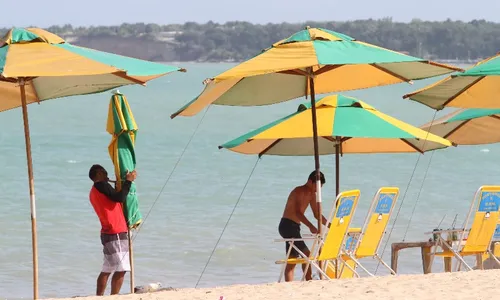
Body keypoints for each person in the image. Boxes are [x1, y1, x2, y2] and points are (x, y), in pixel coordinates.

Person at [88, 164, 137, 296]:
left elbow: (114, 197)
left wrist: (119, 187)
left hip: (107, 232)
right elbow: (119, 198)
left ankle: (99, 297)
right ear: (98, 174)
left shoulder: (94, 191)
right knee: (122, 268)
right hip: (115, 232)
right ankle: (114, 296)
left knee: (107, 268)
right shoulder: (101, 185)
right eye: (104, 172)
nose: (107, 175)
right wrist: (128, 181)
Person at [278, 170, 328, 282]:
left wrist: (330, 224)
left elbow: (317, 214)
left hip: (295, 227)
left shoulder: (312, 195)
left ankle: (288, 285)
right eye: (317, 186)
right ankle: (308, 279)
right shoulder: (299, 191)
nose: (318, 190)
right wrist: (310, 226)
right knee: (307, 254)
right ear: (310, 181)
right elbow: (297, 212)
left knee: (292, 261)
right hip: (287, 225)